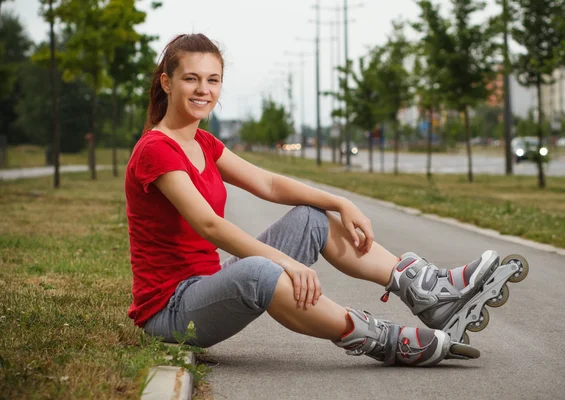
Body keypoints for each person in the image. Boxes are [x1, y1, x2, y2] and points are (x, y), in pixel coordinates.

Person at [125, 33, 500, 367]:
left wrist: (339, 202)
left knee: (311, 217)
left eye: (212, 80)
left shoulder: (203, 142)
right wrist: (288, 263)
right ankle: (380, 339)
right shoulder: (157, 149)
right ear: (167, 82)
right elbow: (209, 225)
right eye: (191, 78)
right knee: (262, 271)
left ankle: (430, 293)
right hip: (172, 311)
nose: (202, 89)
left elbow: (268, 184)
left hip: (209, 285)